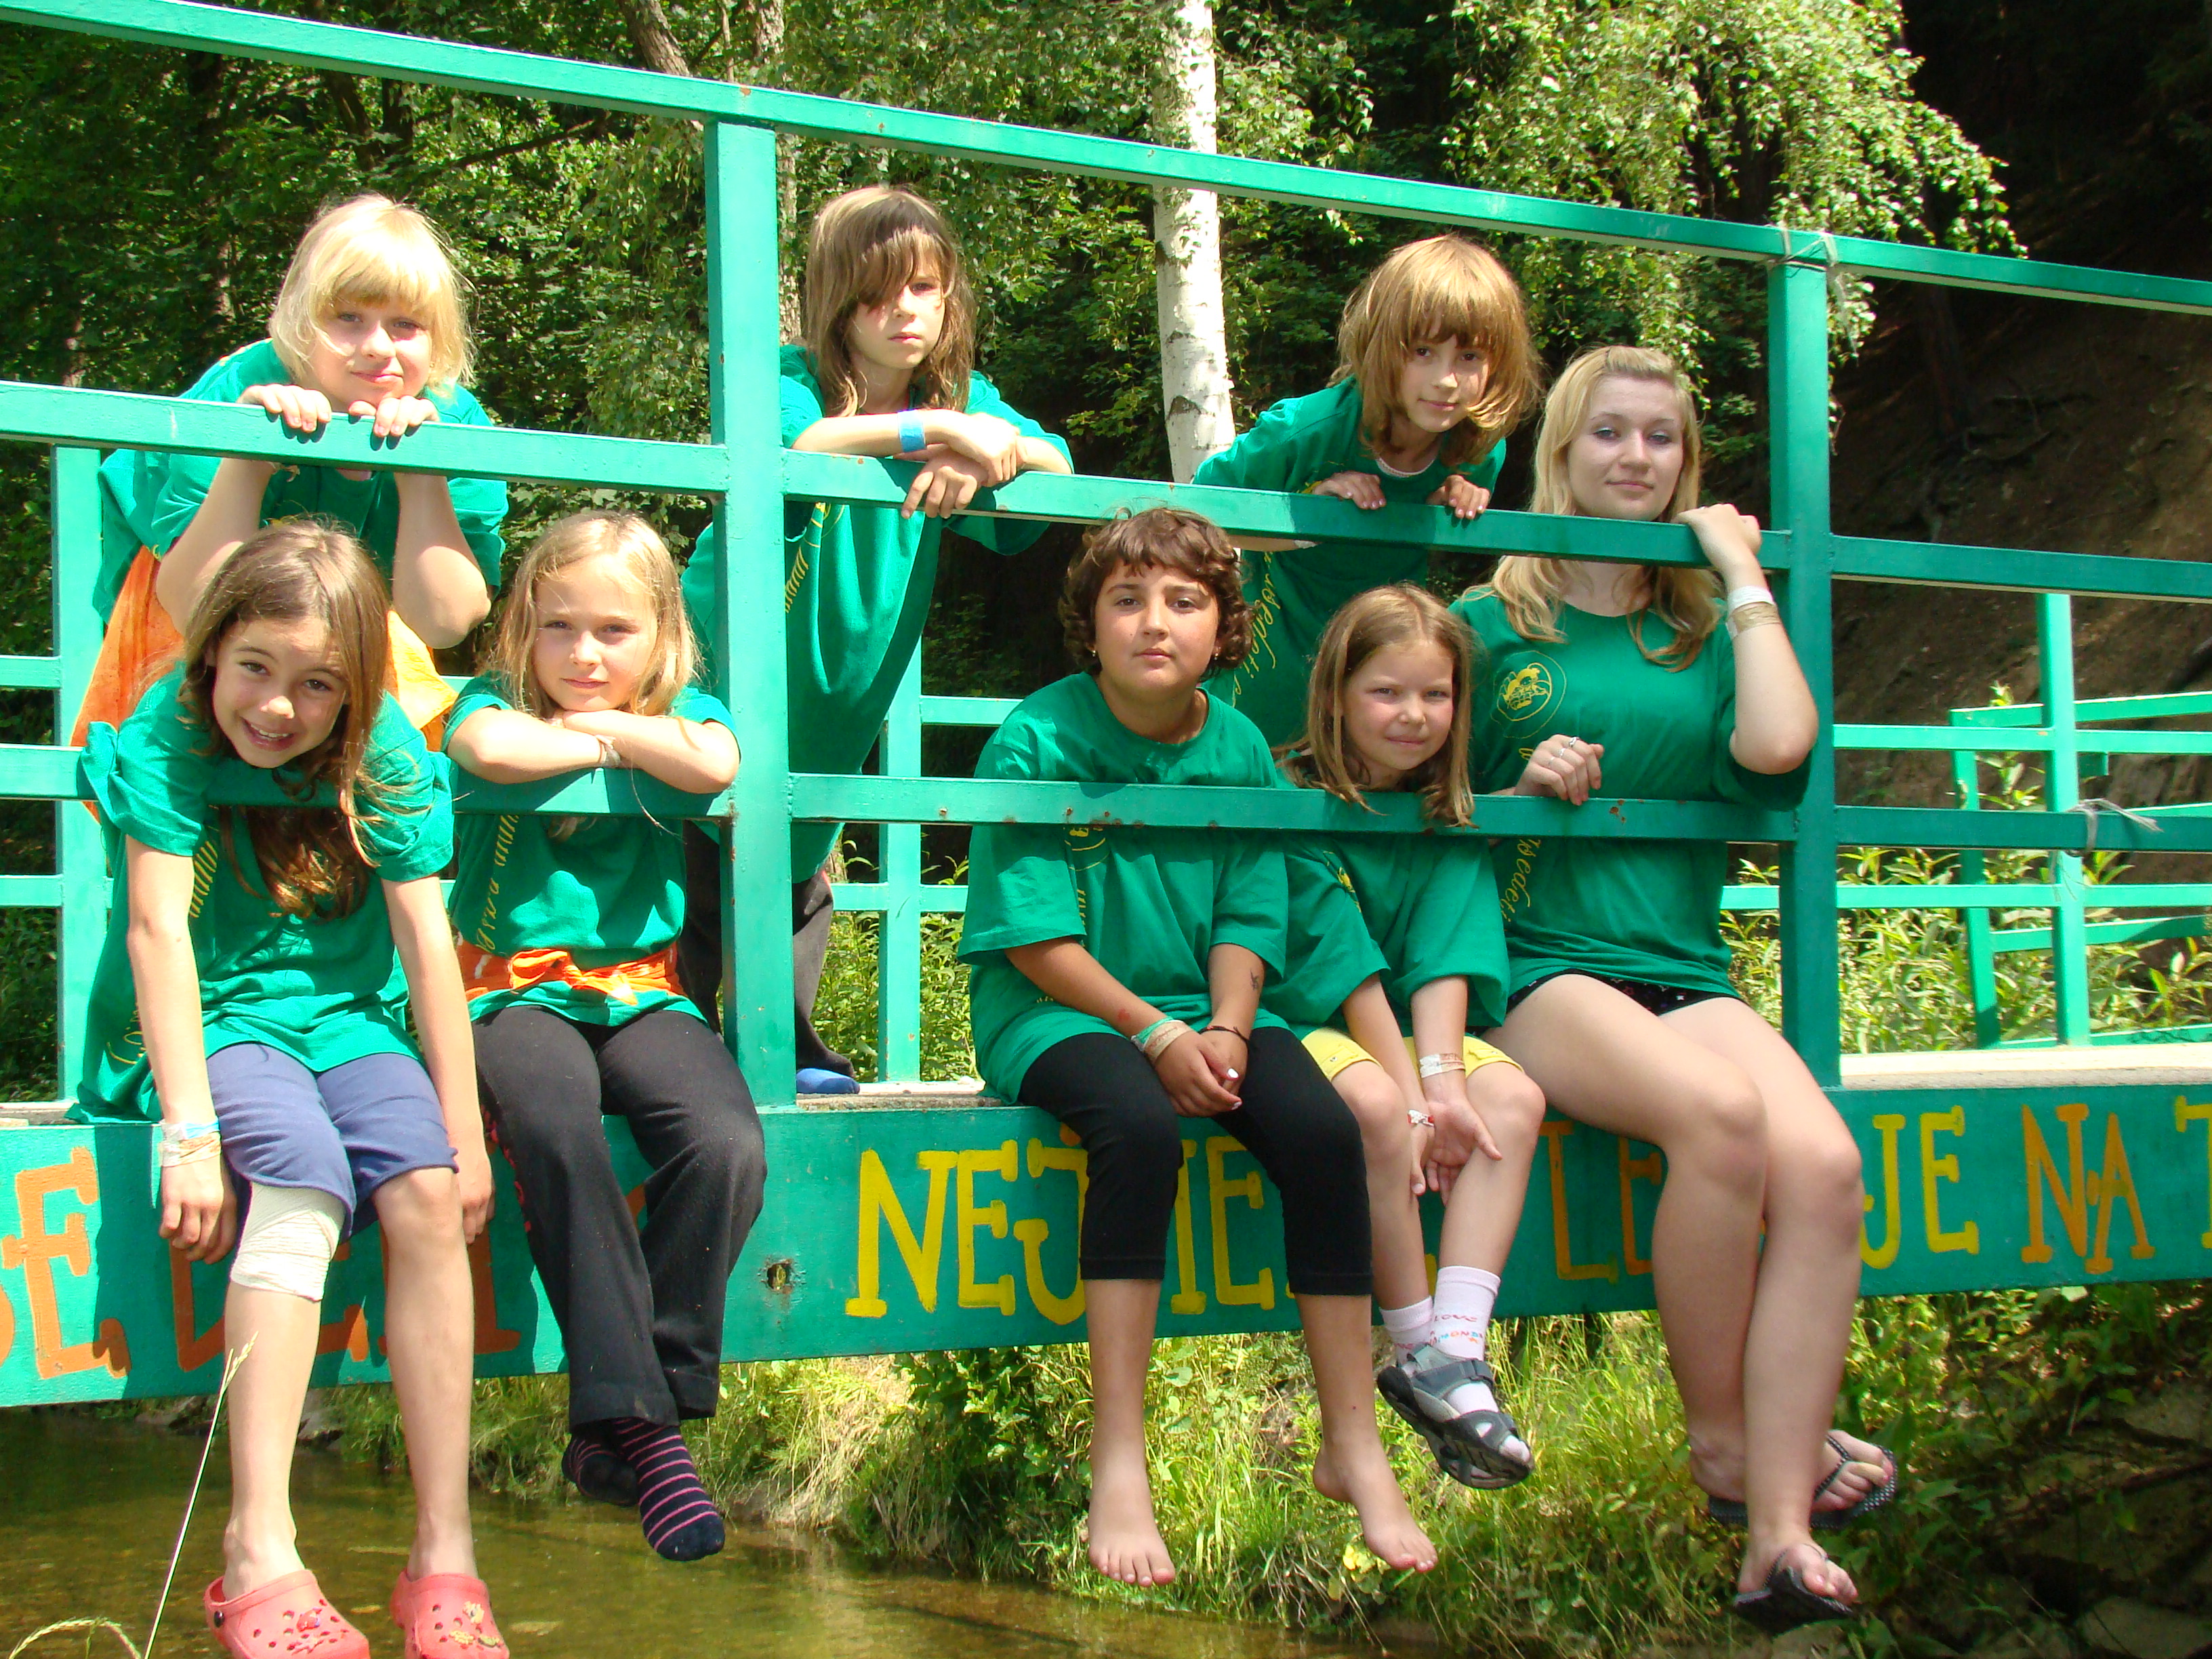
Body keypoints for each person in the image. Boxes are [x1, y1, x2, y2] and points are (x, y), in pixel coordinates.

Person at [1458, 346, 1892, 1633]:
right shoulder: (1489, 622)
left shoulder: (1699, 632)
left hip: (1682, 968)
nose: (1635, 457)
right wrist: (1512, 783)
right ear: (1560, 451)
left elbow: (1778, 746)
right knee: (1721, 1119)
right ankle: (1719, 1439)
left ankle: (1775, 1535)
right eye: (1608, 432)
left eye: (1661, 437)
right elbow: (1401, 789)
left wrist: (1742, 576)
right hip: (1536, 961)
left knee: (1825, 1167)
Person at [958, 508, 1434, 1587]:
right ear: (1090, 624)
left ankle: (1352, 1443)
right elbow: (1034, 937)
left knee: (1324, 1130)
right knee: (1137, 1130)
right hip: (1060, 1012)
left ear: (1225, 627)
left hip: (1206, 1006)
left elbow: (1252, 910)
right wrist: (1156, 1032)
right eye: (1126, 601)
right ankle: (1119, 1461)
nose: (1154, 623)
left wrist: (1224, 1027)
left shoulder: (1239, 750)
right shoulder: (1036, 737)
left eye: (1184, 601)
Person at [70, 521, 505, 1659]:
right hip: (214, 1019)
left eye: (317, 684)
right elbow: (159, 932)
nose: (277, 706)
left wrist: (463, 1128)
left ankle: (443, 1555)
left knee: (425, 1191)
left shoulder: (385, 747)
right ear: (213, 649)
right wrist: (188, 1132)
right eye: (255, 667)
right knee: (304, 1185)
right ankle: (258, 1547)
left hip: (350, 1021)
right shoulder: (169, 729)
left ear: (355, 687)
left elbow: (427, 947)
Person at [678, 185, 1072, 1092]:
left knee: (801, 845)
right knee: (701, 841)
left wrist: (987, 450)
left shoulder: (964, 400)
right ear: (834, 303)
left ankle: (782, 1048)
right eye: (876, 294)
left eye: (924, 289)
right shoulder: (789, 379)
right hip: (726, 658)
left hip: (840, 689)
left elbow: (1056, 463)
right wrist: (930, 432)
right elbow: (796, 443)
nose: (904, 311)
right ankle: (683, 1046)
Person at [443, 509, 762, 1563]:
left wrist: (614, 733)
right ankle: (651, 1435)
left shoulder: (685, 711)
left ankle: (628, 1414)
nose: (584, 654)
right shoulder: (495, 699)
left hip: (639, 991)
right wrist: (618, 741)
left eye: (615, 632)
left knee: (725, 1143)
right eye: (560, 626)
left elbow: (716, 763)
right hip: (508, 990)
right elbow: (488, 748)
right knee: (556, 1125)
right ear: (523, 630)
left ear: (662, 636)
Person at [1268, 583, 1547, 1490]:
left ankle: (1457, 1350)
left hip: (1401, 1020)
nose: (1413, 715)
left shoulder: (1442, 811)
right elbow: (1343, 966)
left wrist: (1448, 1084)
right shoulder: (1292, 794)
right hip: (1308, 1015)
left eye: (1436, 694)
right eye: (1386, 692)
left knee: (1513, 1098)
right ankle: (1416, 1343)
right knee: (1382, 1113)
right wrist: (1420, 1103)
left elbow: (1443, 958)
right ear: (1337, 692)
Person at [84, 193, 506, 742]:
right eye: (348, 318)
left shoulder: (454, 418)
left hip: (349, 609)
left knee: (392, 742)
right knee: (175, 743)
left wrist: (421, 470)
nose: (378, 347)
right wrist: (250, 456)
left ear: (438, 338)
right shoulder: (240, 388)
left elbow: (444, 622)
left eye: (406, 325)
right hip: (176, 600)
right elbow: (193, 608)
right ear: (302, 323)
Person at [1191, 233, 1542, 745]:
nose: (1446, 380)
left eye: (1469, 357)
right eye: (1423, 351)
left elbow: (1420, 544)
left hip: (1384, 671)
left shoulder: (1479, 451)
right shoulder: (1305, 431)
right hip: (1277, 655)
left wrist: (1444, 510)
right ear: (1382, 347)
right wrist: (1307, 520)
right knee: (1262, 771)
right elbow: (1196, 516)